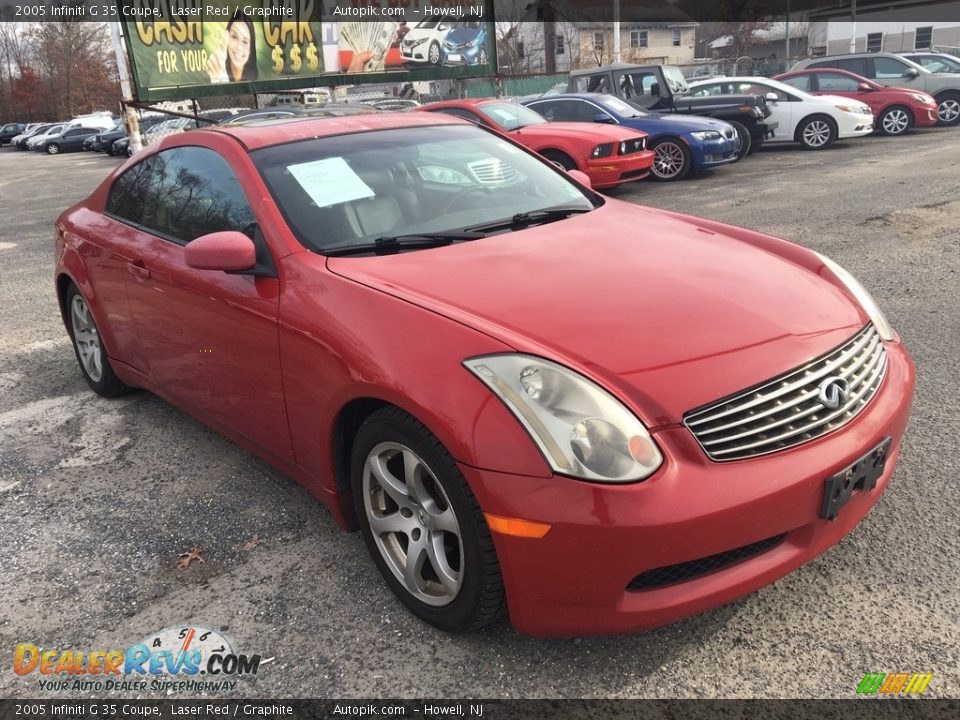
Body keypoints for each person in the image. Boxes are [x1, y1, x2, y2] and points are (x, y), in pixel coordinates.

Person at [206, 13, 258, 83]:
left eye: (245, 42)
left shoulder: (258, 80)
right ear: (227, 37)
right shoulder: (218, 68)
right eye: (234, 37)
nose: (239, 47)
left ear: (251, 48)